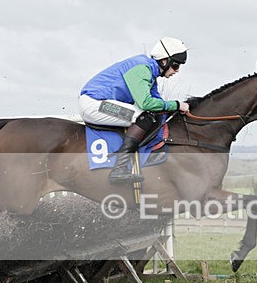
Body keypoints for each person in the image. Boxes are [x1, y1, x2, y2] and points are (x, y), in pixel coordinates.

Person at [79, 36, 191, 183]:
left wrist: (175, 109)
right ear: (164, 61)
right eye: (175, 66)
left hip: (101, 103)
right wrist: (176, 104)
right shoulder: (142, 68)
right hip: (94, 104)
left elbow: (158, 103)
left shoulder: (151, 73)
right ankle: (119, 169)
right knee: (143, 117)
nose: (177, 71)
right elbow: (146, 103)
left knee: (151, 115)